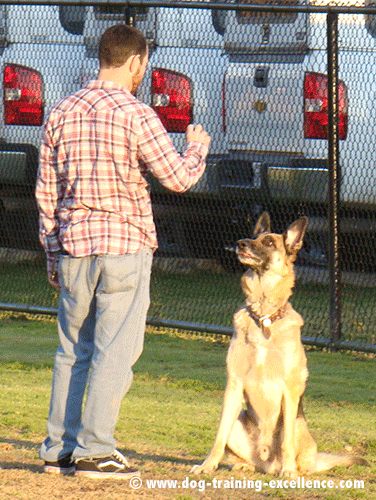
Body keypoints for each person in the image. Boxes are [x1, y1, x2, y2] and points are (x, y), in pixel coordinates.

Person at [35, 24, 210, 480]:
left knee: (72, 350)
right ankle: (96, 450)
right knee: (115, 350)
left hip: (74, 246)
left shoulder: (61, 111)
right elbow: (177, 178)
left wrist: (53, 254)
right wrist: (197, 148)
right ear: (135, 61)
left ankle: (59, 448)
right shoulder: (138, 113)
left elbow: (46, 193)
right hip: (124, 247)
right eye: (144, 65)